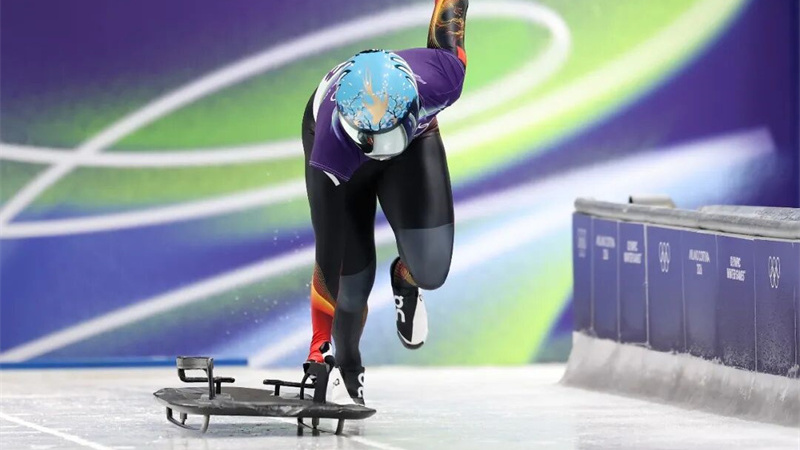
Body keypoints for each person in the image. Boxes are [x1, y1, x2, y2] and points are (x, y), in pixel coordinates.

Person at [301, 0, 468, 405]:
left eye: (389, 139)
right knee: (351, 287)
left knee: (432, 269)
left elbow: (451, 8)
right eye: (375, 143)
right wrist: (319, 347)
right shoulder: (329, 150)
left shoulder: (443, 78)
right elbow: (326, 261)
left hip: (415, 144)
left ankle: (406, 278)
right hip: (346, 157)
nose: (383, 153)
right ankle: (348, 367)